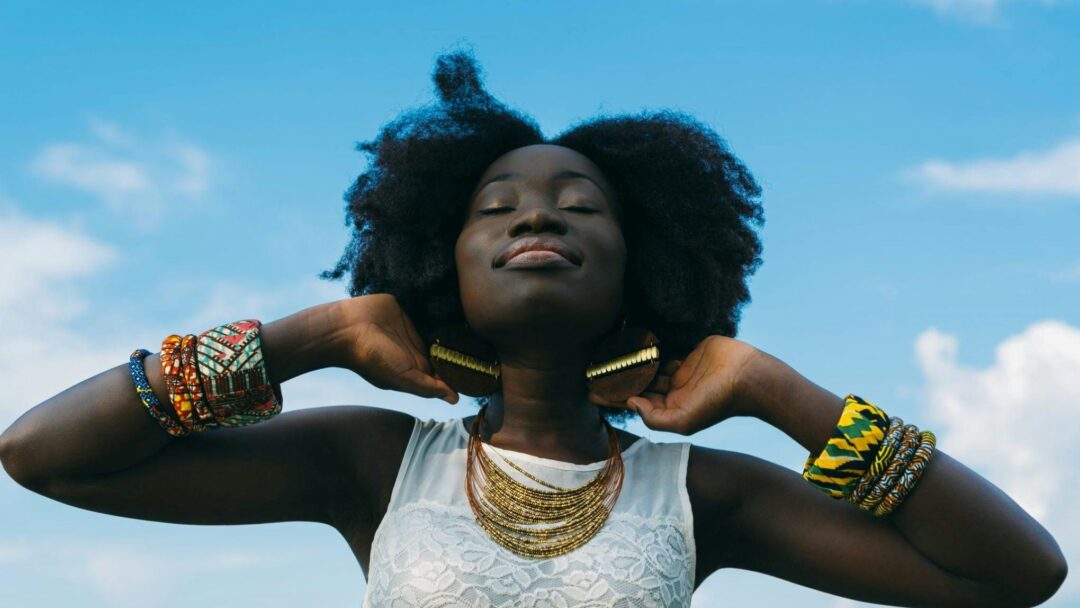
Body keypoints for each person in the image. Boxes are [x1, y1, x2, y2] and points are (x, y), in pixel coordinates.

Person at [0, 49, 1067, 607]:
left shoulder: (698, 492)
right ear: (438, 265)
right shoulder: (375, 462)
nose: (539, 214)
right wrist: (310, 334)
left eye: (579, 204)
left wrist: (775, 390)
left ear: (639, 268)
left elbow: (1016, 573)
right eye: (495, 207)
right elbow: (41, 453)